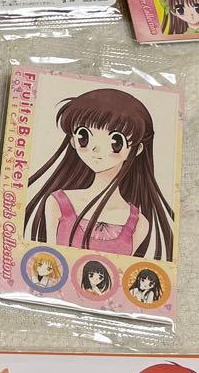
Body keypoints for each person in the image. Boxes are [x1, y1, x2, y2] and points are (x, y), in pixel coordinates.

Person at [24, 86, 174, 260]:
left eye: (116, 141)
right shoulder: (58, 203)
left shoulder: (139, 224)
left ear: (137, 149)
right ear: (73, 141)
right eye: (84, 136)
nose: (96, 149)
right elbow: (51, 260)